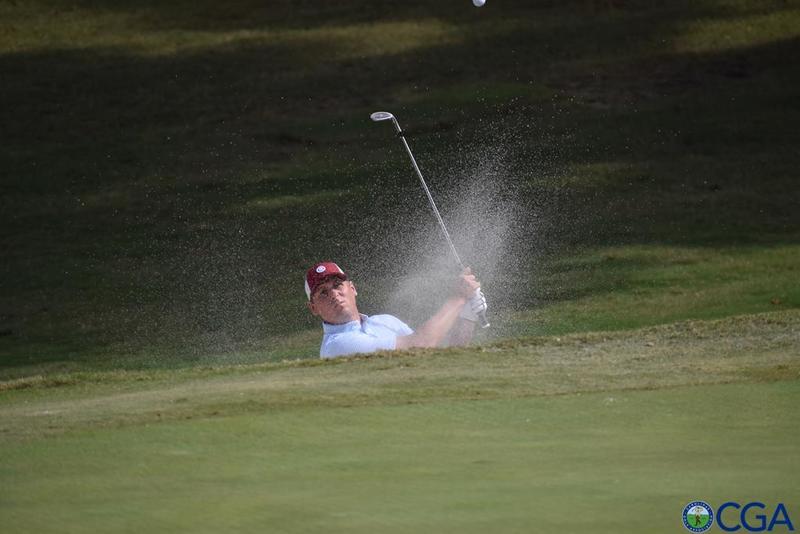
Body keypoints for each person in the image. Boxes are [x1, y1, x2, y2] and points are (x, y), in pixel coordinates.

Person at [305, 261, 488, 359]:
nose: (334, 294)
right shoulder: (337, 345)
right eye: (323, 293)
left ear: (352, 288)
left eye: (337, 285)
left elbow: (442, 358)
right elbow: (420, 345)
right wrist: (458, 298)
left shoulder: (385, 321)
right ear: (313, 308)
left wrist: (467, 313)